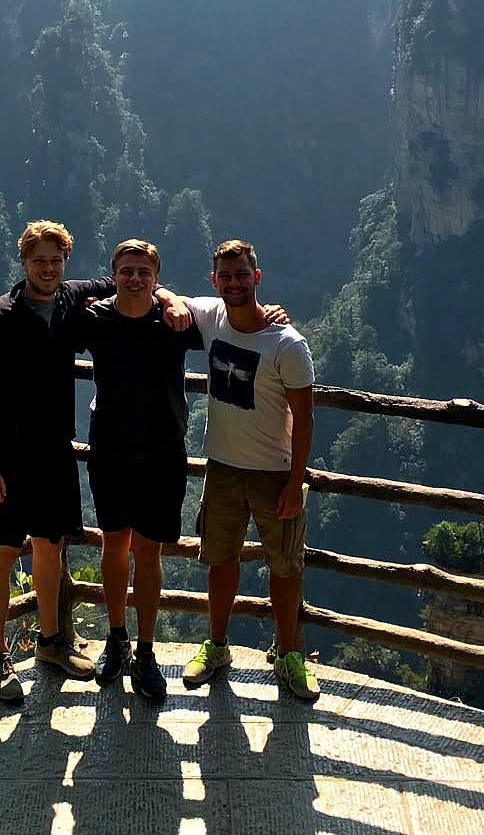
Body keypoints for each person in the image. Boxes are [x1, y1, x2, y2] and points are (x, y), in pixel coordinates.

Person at [0, 220, 187, 703]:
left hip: (56, 449)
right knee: (2, 551)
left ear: (64, 264)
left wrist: (168, 297)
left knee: (48, 545)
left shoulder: (69, 300)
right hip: (7, 452)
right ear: (23, 262)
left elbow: (131, 278)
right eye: (39, 260)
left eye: (55, 261)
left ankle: (50, 643)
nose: (47, 268)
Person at [180, 239, 319, 700]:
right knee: (219, 561)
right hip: (222, 467)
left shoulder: (288, 344)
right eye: (226, 276)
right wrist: (166, 301)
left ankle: (289, 654)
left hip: (274, 472)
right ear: (214, 280)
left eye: (242, 275)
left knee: (284, 566)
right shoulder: (212, 317)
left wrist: (296, 482)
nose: (234, 283)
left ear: (256, 278)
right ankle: (217, 646)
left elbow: (304, 418)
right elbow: (162, 292)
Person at [67, 239, 203, 700]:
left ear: (156, 278)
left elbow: (229, 317)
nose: (135, 279)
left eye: (144, 272)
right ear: (113, 274)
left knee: (149, 553)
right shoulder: (94, 318)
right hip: (110, 451)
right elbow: (44, 312)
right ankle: (117, 639)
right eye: (126, 271)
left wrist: (173, 300)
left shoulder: (175, 321)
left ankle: (145, 652)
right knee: (113, 546)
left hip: (162, 451)